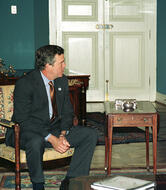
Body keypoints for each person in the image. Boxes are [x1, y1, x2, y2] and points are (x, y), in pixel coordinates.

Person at [5, 45, 98, 190]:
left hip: (53, 129)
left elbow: (67, 112)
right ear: (48, 66)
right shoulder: (26, 83)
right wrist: (51, 138)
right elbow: (23, 120)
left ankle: (72, 182)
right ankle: (38, 184)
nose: (65, 65)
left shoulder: (61, 81)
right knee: (36, 141)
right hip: (24, 131)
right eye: (61, 62)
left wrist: (62, 134)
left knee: (89, 134)